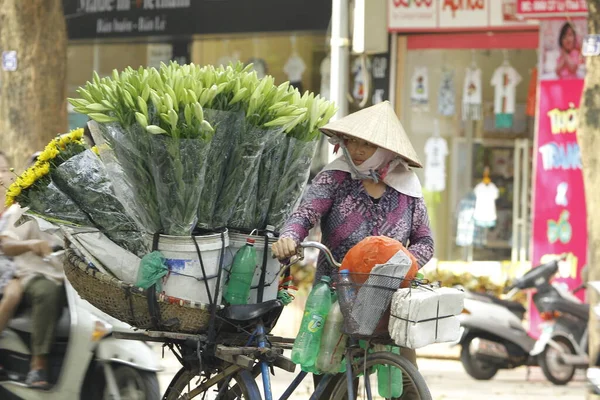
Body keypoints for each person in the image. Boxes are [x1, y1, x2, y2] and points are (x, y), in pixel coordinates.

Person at [272, 101, 434, 399]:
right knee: (334, 383)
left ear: (387, 150)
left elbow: (425, 241)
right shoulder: (334, 178)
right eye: (353, 141)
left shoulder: (407, 189)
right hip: (337, 296)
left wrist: (404, 264)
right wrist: (290, 237)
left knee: (406, 386)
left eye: (367, 144)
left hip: (390, 299)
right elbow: (304, 214)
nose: (357, 149)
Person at [0, 151, 64, 389]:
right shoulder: (23, 210)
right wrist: (32, 245)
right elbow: (6, 243)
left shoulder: (69, 210)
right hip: (35, 276)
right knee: (46, 291)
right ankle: (38, 365)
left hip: (69, 280)